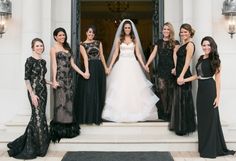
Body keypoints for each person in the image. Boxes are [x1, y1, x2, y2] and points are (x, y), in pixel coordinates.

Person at [183, 36, 235, 158]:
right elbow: (198, 75)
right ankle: (203, 147)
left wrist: (217, 97)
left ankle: (210, 150)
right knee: (202, 120)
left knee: (211, 120)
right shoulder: (201, 58)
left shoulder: (215, 60)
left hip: (210, 90)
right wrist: (184, 79)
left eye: (208, 45)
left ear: (212, 46)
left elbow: (218, 80)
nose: (205, 47)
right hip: (201, 92)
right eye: (204, 45)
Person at [102, 19, 159, 123]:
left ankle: (135, 113)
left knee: (134, 89)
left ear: (131, 29)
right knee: (121, 89)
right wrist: (109, 67)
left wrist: (144, 65)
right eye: (125, 28)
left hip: (133, 65)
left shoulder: (134, 39)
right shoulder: (119, 39)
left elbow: (137, 54)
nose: (127, 29)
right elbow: (115, 54)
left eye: (129, 28)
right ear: (123, 29)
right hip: (121, 65)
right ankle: (119, 113)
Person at [7, 38, 51, 159]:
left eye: (41, 45)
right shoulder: (29, 61)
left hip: (43, 92)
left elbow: (42, 78)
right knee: (38, 116)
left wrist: (51, 83)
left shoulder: (43, 62)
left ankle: (36, 143)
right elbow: (27, 79)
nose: (40, 48)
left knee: (39, 116)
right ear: (32, 47)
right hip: (35, 92)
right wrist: (32, 94)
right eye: (37, 46)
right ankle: (38, 146)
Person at [50, 27, 88, 143]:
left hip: (69, 80)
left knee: (69, 102)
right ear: (55, 36)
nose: (62, 37)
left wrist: (83, 73)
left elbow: (73, 64)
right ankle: (60, 130)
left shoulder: (67, 48)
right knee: (60, 103)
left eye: (64, 35)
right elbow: (54, 65)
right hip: (60, 79)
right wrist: (55, 80)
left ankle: (68, 128)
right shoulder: (53, 49)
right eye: (60, 35)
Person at [145, 22, 180, 121]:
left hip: (171, 69)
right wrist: (147, 64)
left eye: (168, 29)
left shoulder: (175, 42)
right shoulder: (159, 42)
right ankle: (164, 112)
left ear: (171, 31)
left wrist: (176, 67)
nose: (166, 31)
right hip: (161, 69)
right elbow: (153, 54)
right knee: (162, 90)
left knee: (170, 91)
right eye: (164, 29)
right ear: (162, 31)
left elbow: (175, 55)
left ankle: (170, 113)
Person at [74, 25, 107, 125]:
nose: (91, 34)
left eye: (92, 33)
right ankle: (89, 117)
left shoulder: (98, 43)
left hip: (99, 67)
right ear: (86, 33)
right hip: (89, 67)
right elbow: (85, 58)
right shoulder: (82, 45)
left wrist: (106, 68)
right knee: (90, 92)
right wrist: (87, 71)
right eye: (89, 32)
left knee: (98, 90)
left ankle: (97, 115)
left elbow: (101, 56)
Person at [169, 23, 196, 135]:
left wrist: (181, 76)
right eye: (182, 32)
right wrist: (175, 69)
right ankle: (180, 127)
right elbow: (177, 57)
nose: (183, 33)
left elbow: (187, 62)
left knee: (184, 101)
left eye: (185, 31)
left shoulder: (190, 45)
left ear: (190, 33)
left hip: (184, 76)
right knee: (179, 101)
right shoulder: (181, 45)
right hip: (179, 74)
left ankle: (184, 128)